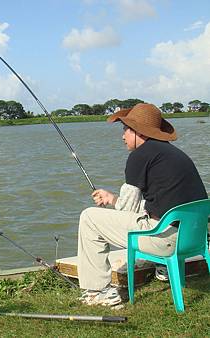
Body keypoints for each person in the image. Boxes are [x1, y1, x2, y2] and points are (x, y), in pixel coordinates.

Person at [77, 103, 208, 306]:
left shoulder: (140, 156)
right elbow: (161, 202)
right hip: (193, 239)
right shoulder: (174, 154)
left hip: (166, 242)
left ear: (138, 132)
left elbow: (127, 211)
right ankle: (163, 268)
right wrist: (111, 198)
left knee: (89, 218)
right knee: (149, 211)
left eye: (125, 130)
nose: (122, 136)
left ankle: (98, 292)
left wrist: (113, 203)